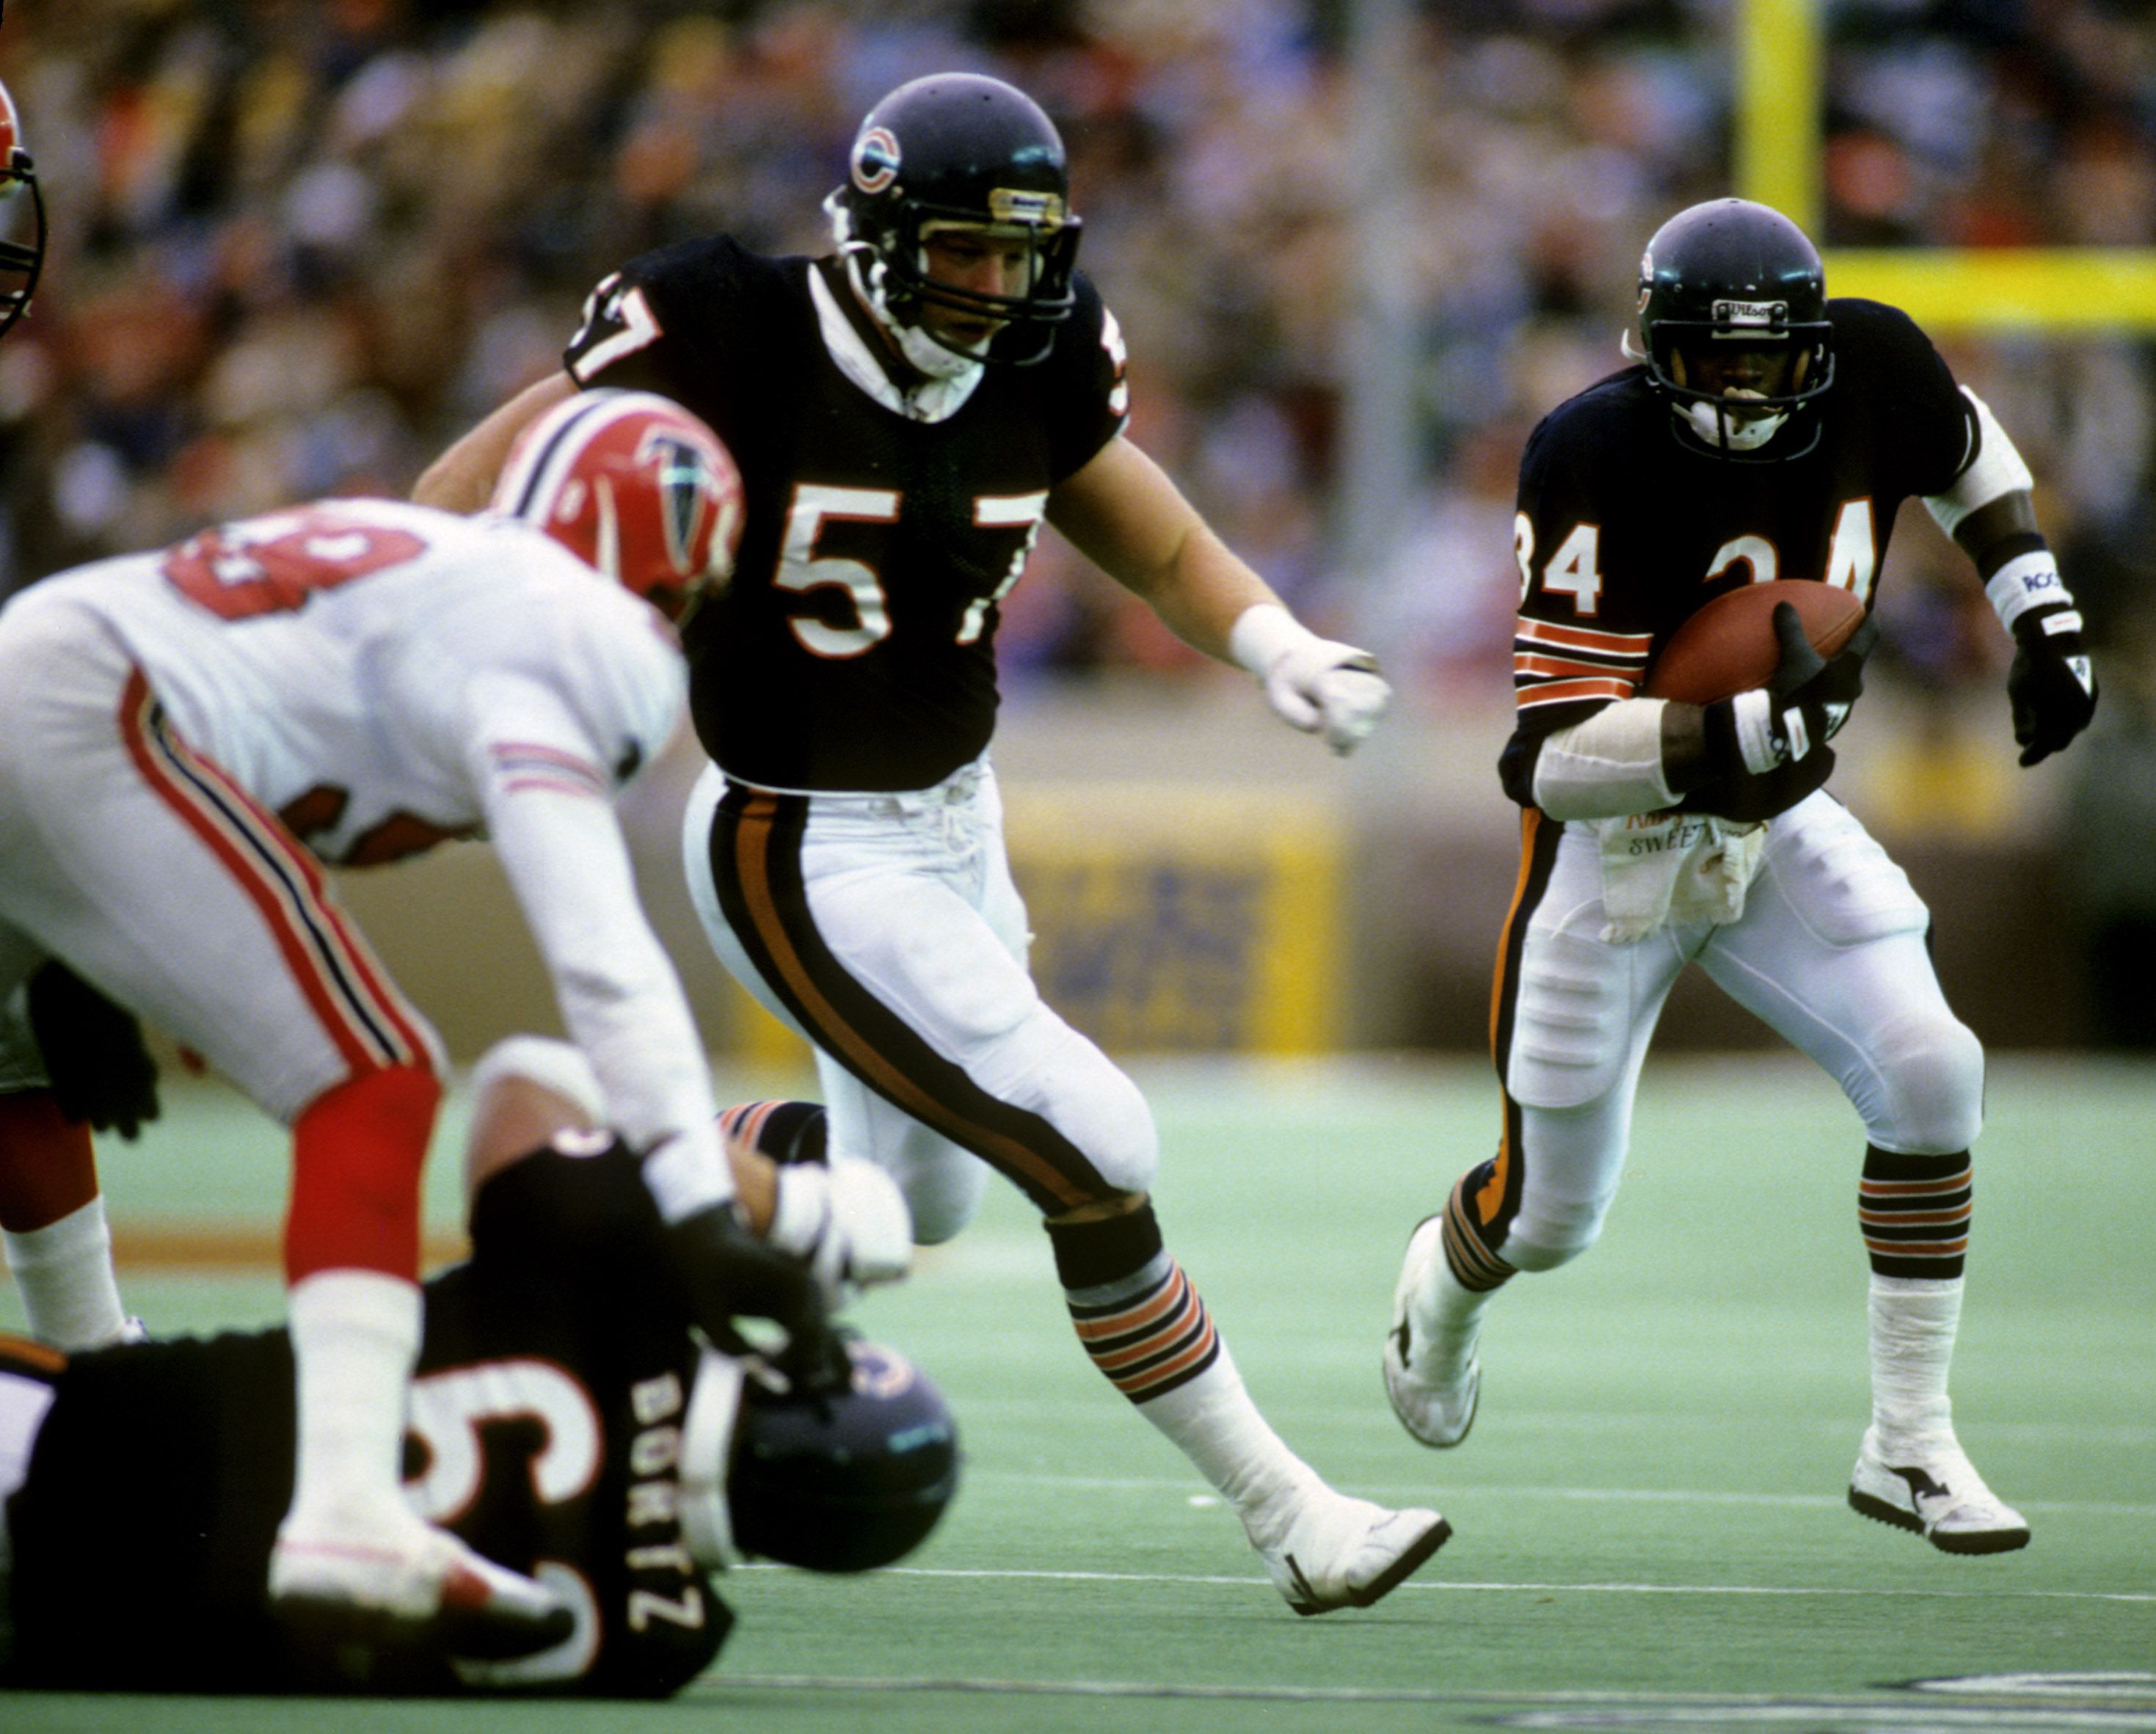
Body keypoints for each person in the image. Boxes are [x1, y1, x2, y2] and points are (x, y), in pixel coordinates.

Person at [415, 71, 1444, 1614]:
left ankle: (613, 1184)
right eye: (963, 247)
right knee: (1094, 1142)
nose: (994, 283)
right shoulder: (724, 326)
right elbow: (469, 485)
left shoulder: (1040, 354)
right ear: (876, 232)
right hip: (799, 838)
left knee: (909, 1203)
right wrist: (435, 637)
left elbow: (1156, 535)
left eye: (1020, 251)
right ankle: (1287, 1509)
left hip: (959, 822)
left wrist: (1273, 639)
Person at [0, 389, 851, 1652]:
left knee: (17, 1060)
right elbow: (602, 956)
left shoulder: (446, 569)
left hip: (48, 668)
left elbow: (257, 724)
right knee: (377, 1077)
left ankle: (92, 1377)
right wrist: (691, 1191)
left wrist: (82, 950)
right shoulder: (578, 628)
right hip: (101, 709)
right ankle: (347, 1512)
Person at [1382, 198, 2097, 1556]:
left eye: (1767, 357)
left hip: (1769, 823)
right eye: (1713, 357)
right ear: (1654, 351)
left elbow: (1966, 447)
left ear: (1812, 348)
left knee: (1931, 1069)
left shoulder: (1876, 365)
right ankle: (1440, 1292)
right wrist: (1741, 728)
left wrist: (2034, 605)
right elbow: (1546, 760)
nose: (1741, 385)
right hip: (1615, 849)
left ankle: (1908, 1438)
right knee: (1547, 1216)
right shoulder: (1590, 449)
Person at [0, 1038, 935, 1695]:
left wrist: (758, 1199)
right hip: (65, 1642)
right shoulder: (669, 1647)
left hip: (65, 1447)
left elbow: (529, 1077)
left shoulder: (609, 1312)